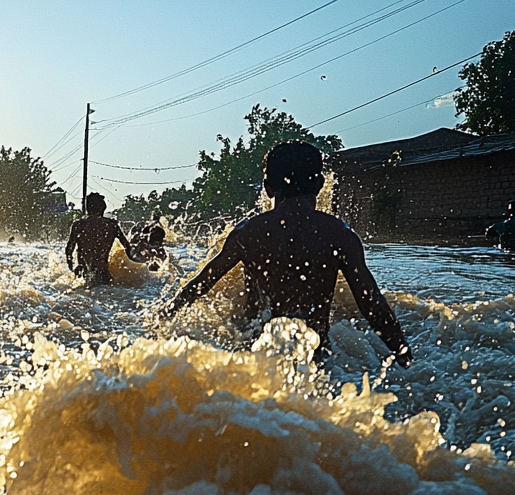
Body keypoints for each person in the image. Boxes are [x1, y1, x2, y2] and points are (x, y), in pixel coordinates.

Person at [159, 141, 411, 366]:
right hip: (315, 354)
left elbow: (202, 284)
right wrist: (402, 353)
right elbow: (372, 304)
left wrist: (163, 317)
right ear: (320, 185)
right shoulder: (340, 235)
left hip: (257, 354)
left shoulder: (248, 233)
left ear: (268, 188)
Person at [65, 192, 136, 285]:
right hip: (103, 275)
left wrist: (71, 267)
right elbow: (127, 248)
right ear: (103, 208)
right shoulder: (111, 225)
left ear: (87, 208)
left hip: (83, 275)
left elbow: (69, 250)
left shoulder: (78, 225)